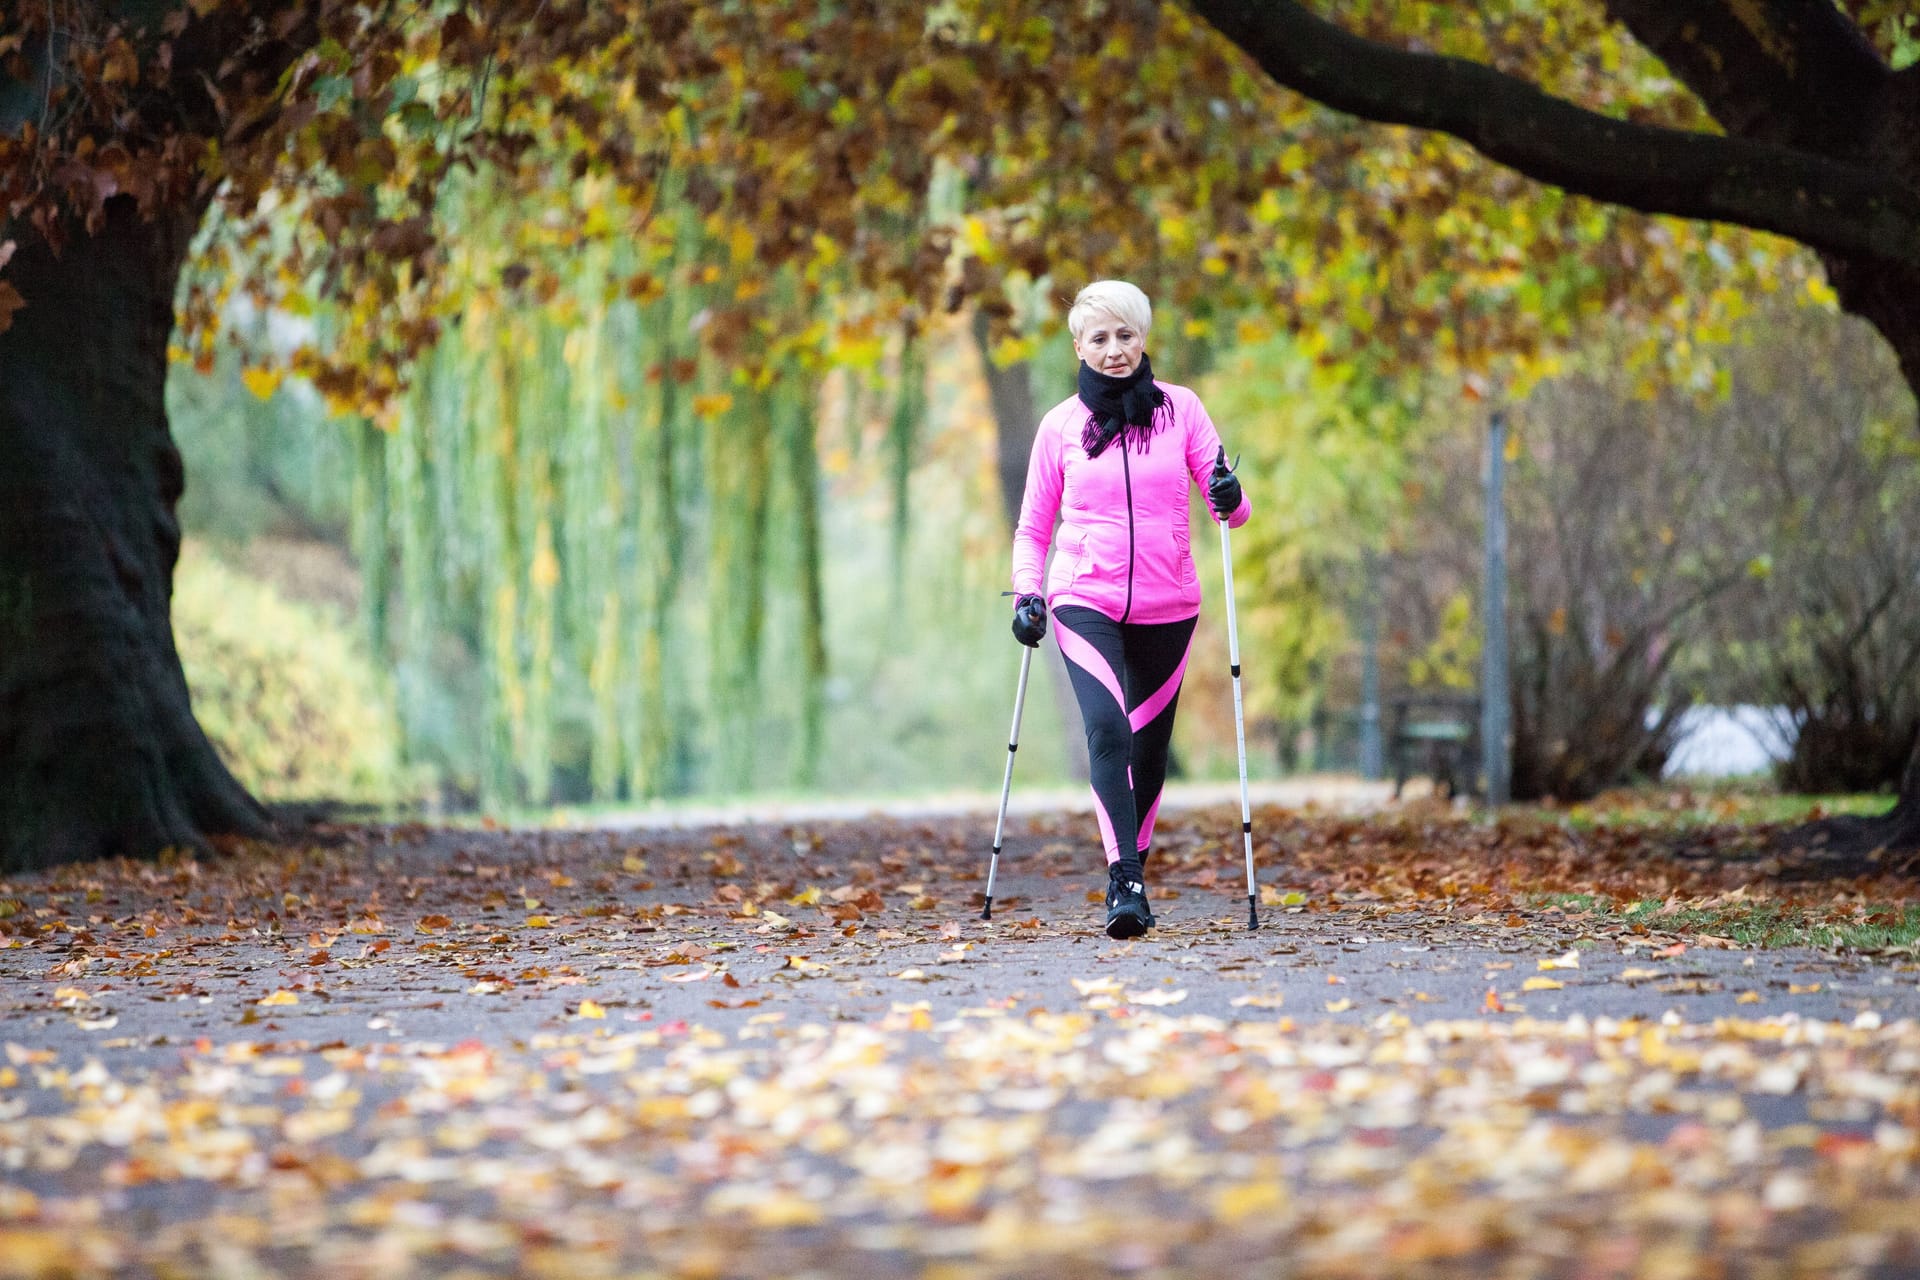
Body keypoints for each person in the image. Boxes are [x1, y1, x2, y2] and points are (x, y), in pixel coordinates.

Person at [1009, 280, 1249, 940]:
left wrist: (1230, 491)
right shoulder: (1060, 427)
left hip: (1169, 603)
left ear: (1143, 338)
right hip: (1083, 596)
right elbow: (1033, 529)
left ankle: (1132, 863)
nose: (1114, 350)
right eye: (1099, 338)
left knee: (1148, 751)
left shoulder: (1184, 410)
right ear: (1078, 345)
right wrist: (1028, 595)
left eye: (1126, 336)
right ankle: (1126, 882)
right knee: (1108, 732)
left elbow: (1231, 505)